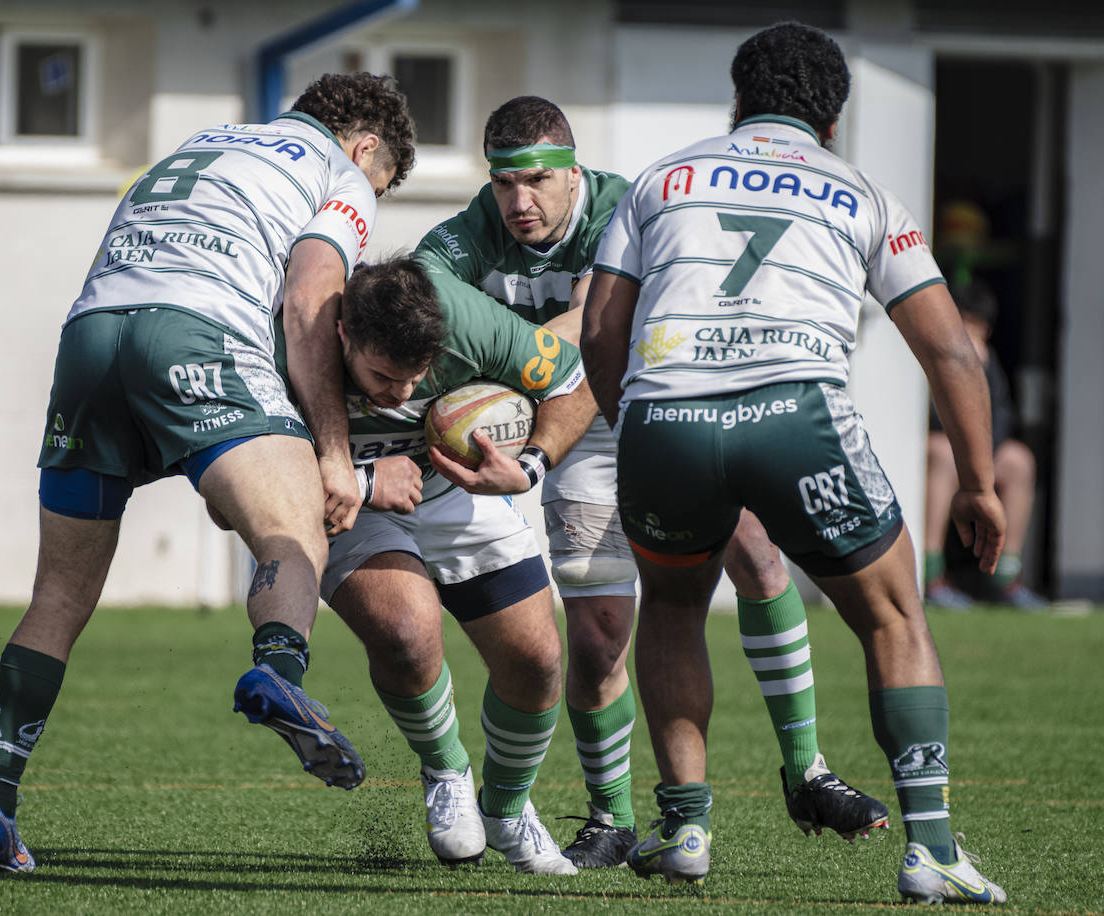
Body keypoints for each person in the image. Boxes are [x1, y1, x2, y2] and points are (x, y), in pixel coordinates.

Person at [581, 22, 1007, 904]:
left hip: (666, 416)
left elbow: (599, 330)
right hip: (797, 414)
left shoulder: (663, 178)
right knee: (894, 617)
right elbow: (953, 355)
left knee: (670, 609)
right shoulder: (862, 192)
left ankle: (687, 827)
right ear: (835, 120)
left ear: (738, 102)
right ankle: (929, 847)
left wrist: (639, 424)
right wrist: (977, 483)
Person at [413, 95, 886, 868]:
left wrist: (495, 349)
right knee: (598, 641)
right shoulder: (470, 232)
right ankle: (613, 818)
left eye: (535, 180)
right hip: (573, 439)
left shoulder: (622, 206)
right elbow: (423, 302)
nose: (518, 201)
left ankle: (808, 770)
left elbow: (592, 327)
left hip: (663, 407)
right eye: (503, 183)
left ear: (573, 171)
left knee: (760, 560)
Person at [0, 73, 416, 873]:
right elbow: (311, 297)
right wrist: (337, 456)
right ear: (366, 146)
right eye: (379, 183)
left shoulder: (201, 142)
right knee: (291, 521)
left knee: (58, 597)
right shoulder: (339, 173)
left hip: (91, 338)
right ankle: (280, 671)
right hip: (196, 331)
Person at [291, 256, 597, 874]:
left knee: (537, 661)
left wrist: (530, 466)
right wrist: (367, 478)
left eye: (417, 377)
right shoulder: (287, 341)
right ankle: (447, 771)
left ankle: (507, 813)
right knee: (408, 631)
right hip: (349, 504)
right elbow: (241, 474)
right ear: (345, 335)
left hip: (454, 490)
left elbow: (574, 383)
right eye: (382, 375)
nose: (401, 394)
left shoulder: (466, 318)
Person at [925, 278, 1046, 609]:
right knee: (942, 452)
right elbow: (930, 417)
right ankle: (931, 577)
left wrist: (975, 367)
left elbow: (1002, 421)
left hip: (979, 456)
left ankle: (1004, 578)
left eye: (974, 327)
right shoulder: (929, 351)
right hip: (942, 453)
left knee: (1018, 461)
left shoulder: (990, 365)